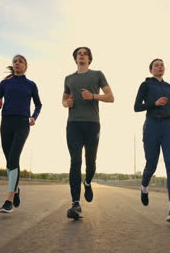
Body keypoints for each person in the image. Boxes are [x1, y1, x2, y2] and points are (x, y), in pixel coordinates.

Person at [61, 47, 114, 219]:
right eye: (79, 53)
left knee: (90, 162)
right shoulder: (68, 78)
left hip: (92, 124)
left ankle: (88, 182)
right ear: (75, 58)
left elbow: (110, 97)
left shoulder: (97, 74)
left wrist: (93, 96)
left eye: (85, 53)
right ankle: (76, 204)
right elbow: (63, 100)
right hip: (73, 124)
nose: (82, 55)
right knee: (75, 161)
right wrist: (66, 103)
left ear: (89, 58)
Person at [133, 58, 170, 223]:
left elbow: (166, 107)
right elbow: (136, 107)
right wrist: (153, 103)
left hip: (168, 126)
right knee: (151, 165)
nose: (160, 67)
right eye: (156, 65)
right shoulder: (145, 85)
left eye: (162, 64)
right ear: (151, 69)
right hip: (152, 126)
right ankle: (144, 187)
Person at [0, 54, 42, 213]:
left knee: (14, 157)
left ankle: (9, 200)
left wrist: (33, 117)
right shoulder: (4, 83)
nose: (17, 63)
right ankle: (16, 189)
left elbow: (39, 104)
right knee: (9, 162)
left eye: (21, 62)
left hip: (22, 124)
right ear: (12, 66)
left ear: (26, 66)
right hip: (6, 122)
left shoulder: (31, 85)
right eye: (15, 62)